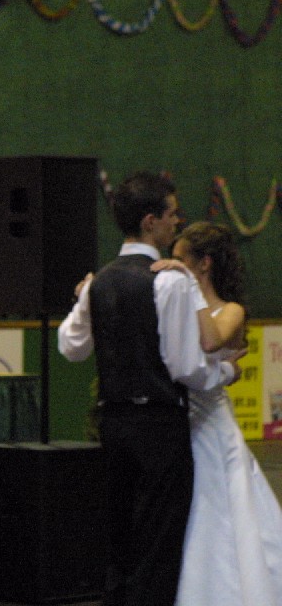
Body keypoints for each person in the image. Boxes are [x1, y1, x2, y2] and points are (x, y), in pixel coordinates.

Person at [58, 171, 243, 606]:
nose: (177, 222)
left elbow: (71, 347)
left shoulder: (99, 281)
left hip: (111, 421)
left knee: (119, 538)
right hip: (159, 424)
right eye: (172, 214)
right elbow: (187, 368)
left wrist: (87, 300)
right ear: (150, 221)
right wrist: (226, 372)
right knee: (158, 543)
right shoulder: (171, 280)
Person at [152, 221, 282, 606]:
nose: (173, 265)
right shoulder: (179, 302)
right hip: (178, 418)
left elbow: (209, 341)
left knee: (219, 507)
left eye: (181, 259)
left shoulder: (232, 310)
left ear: (203, 264)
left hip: (210, 422)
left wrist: (187, 287)